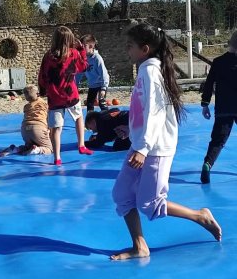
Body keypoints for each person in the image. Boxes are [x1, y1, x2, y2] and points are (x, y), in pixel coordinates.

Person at [110, 23, 222, 261]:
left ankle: (200, 215)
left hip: (155, 149)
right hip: (141, 145)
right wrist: (131, 133)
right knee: (121, 194)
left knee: (150, 204)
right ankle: (140, 246)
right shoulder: (145, 70)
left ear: (145, 49)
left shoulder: (151, 71)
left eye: (130, 46)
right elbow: (143, 111)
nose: (127, 50)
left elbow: (156, 112)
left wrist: (142, 147)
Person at [38, 25, 94, 165]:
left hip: (55, 96)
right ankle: (81, 145)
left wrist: (43, 90)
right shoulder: (73, 53)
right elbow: (83, 66)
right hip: (70, 94)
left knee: (56, 128)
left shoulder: (48, 56)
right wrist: (82, 50)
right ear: (69, 40)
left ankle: (57, 157)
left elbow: (43, 74)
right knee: (79, 117)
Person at [200, 30, 237, 184]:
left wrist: (205, 104)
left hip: (223, 108)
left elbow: (208, 84)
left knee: (218, 140)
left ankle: (207, 164)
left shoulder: (218, 62)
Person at [0, 84, 53, 157]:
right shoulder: (44, 103)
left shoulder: (26, 106)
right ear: (38, 93)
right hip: (38, 128)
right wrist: (48, 129)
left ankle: (15, 149)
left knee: (28, 146)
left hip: (24, 129)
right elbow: (48, 117)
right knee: (49, 148)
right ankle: (37, 150)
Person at [76, 34, 110, 112]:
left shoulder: (97, 58)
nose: (81, 49)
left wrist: (103, 88)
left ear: (91, 46)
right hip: (92, 85)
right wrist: (75, 85)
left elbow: (103, 73)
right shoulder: (83, 59)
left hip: (101, 84)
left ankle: (107, 119)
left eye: (84, 46)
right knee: (89, 104)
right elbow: (79, 73)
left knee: (102, 103)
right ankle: (90, 121)